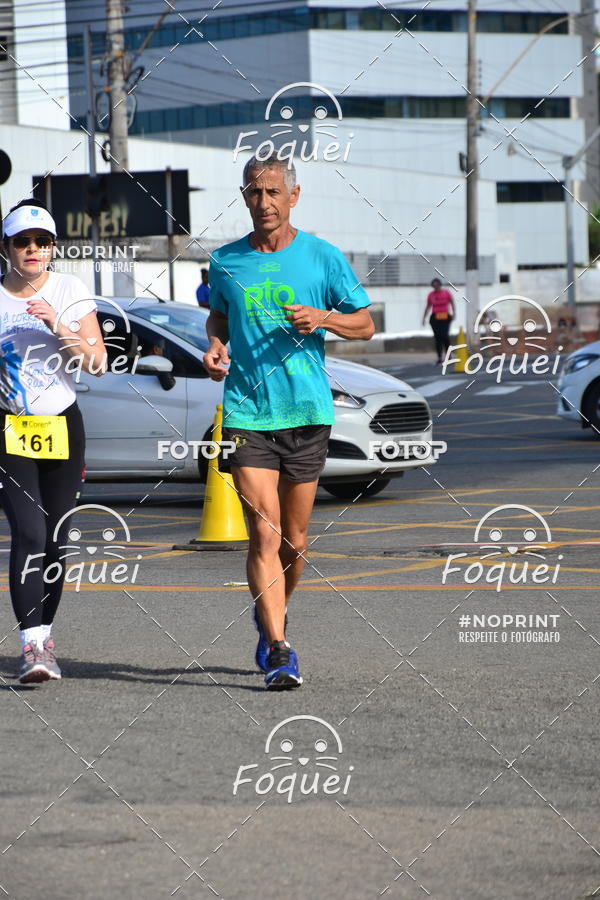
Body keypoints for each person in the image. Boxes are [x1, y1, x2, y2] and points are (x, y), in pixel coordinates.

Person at [203, 153, 374, 690]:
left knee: (296, 542)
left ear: (293, 197)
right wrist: (214, 344)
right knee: (264, 535)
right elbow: (219, 317)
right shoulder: (226, 261)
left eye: (274, 192)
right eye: (254, 193)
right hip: (248, 414)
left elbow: (365, 325)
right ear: (244, 197)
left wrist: (324, 318)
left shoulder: (322, 258)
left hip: (306, 411)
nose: (264, 203)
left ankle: (271, 611)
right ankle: (279, 648)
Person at [0, 199, 106, 684]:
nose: (33, 250)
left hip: (62, 425)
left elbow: (96, 361)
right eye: (23, 242)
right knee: (29, 534)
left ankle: (46, 635)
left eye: (42, 242)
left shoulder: (70, 288)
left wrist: (56, 325)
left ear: (53, 248)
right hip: (10, 430)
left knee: (57, 540)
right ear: (7, 249)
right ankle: (32, 647)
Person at [423, 277, 455, 364]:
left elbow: (452, 303)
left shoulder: (446, 293)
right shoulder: (431, 295)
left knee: (445, 336)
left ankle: (449, 355)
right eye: (434, 286)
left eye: (437, 285)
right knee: (438, 338)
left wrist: (453, 313)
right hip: (435, 317)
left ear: (440, 285)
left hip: (445, 317)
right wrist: (424, 317)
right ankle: (440, 357)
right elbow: (428, 306)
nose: (436, 288)